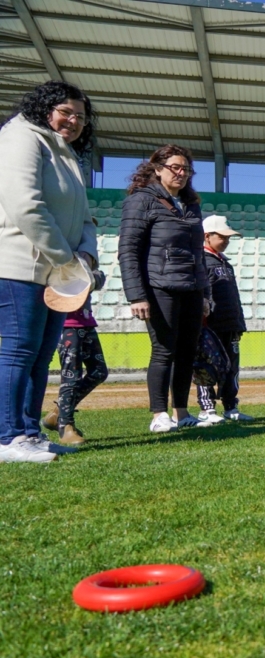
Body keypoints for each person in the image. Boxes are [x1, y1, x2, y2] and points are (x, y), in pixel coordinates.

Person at [0, 81, 98, 463]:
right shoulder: (21, 136)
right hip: (19, 265)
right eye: (66, 112)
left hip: (56, 272)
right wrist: (66, 258)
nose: (73, 121)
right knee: (19, 351)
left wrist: (86, 256)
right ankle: (7, 437)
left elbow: (85, 217)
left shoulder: (67, 154)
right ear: (45, 108)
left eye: (80, 117)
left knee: (40, 356)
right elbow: (25, 204)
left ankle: (28, 432)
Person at [120, 144, 212, 433]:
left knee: (187, 351)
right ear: (157, 169)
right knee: (164, 350)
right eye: (175, 167)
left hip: (192, 288)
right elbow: (128, 250)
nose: (181, 173)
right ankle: (159, 414)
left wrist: (205, 292)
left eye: (186, 168)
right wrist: (136, 295)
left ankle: (182, 412)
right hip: (160, 287)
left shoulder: (191, 204)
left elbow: (199, 253)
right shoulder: (142, 201)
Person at [42, 264, 109, 446]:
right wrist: (85, 279)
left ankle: (58, 413)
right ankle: (66, 426)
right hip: (66, 322)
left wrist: (84, 278)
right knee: (71, 376)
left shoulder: (84, 255)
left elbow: (98, 277)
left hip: (86, 320)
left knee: (99, 372)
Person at [194, 215, 252, 422]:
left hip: (231, 325)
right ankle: (207, 409)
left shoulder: (226, 264)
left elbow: (233, 296)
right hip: (211, 326)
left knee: (231, 368)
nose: (226, 241)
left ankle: (230, 406)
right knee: (207, 367)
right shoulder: (201, 261)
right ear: (207, 236)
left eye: (228, 237)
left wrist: (239, 324)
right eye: (222, 236)